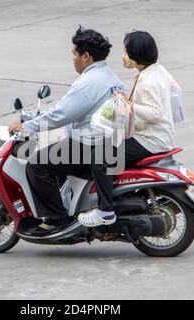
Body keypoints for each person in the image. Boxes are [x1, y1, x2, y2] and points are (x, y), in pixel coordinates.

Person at [8, 26, 123, 232]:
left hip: (89, 144)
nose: (72, 58)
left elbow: (60, 115)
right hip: (110, 143)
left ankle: (57, 221)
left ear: (86, 56)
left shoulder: (88, 83)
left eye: (74, 53)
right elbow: (66, 108)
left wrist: (27, 126)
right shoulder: (111, 78)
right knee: (53, 156)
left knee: (37, 164)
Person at [78, 30, 181, 227]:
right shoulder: (158, 71)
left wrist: (129, 105)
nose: (124, 56)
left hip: (149, 140)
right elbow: (176, 91)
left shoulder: (149, 81)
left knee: (100, 157)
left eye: (126, 51)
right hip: (160, 135)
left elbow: (155, 112)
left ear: (136, 55)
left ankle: (105, 211)